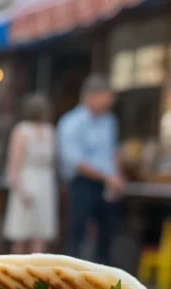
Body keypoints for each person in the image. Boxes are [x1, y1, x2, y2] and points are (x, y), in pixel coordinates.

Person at [57, 75, 124, 264]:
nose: (110, 102)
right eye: (106, 97)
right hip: (82, 183)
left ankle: (105, 278)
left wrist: (116, 176)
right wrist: (106, 177)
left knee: (107, 234)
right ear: (92, 96)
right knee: (77, 232)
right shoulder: (71, 122)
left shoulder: (109, 121)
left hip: (107, 183)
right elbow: (74, 160)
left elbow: (112, 151)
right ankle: (69, 275)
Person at [3, 93, 57, 254]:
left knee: (40, 234)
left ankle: (36, 269)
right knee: (21, 234)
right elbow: (14, 164)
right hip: (27, 181)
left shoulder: (49, 131)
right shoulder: (22, 131)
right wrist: (20, 190)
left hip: (43, 183)